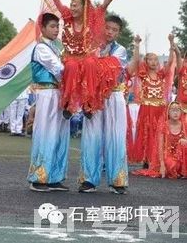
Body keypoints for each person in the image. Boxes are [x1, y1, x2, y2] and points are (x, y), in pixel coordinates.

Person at [24, 0, 137, 117]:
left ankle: (88, 105)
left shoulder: (92, 18)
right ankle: (68, 105)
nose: (72, 7)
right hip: (70, 57)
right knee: (70, 66)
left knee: (90, 63)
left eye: (75, 5)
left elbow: (104, 4)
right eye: (71, 4)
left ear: (84, 7)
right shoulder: (67, 16)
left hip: (87, 57)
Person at [78, 15, 132, 194]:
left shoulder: (121, 50)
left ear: (119, 32)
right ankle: (89, 180)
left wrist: (90, 64)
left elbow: (108, 69)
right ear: (102, 28)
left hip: (114, 95)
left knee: (115, 136)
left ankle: (117, 181)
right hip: (93, 96)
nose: (110, 32)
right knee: (91, 136)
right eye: (107, 28)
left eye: (114, 30)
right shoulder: (90, 48)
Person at [27, 13, 69, 192]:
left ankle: (54, 177)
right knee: (45, 133)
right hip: (47, 93)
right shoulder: (41, 48)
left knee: (60, 135)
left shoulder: (56, 48)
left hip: (59, 93)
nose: (56, 30)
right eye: (52, 26)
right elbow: (58, 68)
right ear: (42, 28)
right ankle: (38, 177)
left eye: (57, 27)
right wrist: (77, 75)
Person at [129, 35, 176, 166]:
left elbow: (171, 61)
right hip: (146, 108)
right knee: (146, 133)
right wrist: (137, 45)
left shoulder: (162, 74)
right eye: (151, 59)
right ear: (146, 62)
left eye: (156, 60)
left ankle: (158, 158)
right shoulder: (142, 75)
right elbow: (136, 61)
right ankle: (146, 159)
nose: (154, 62)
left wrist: (171, 43)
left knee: (159, 133)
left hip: (160, 109)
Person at [134, 102, 187, 179]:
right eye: (173, 110)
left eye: (178, 110)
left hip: (181, 155)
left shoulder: (184, 125)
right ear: (168, 112)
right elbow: (160, 147)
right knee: (171, 165)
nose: (175, 113)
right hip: (168, 155)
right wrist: (162, 165)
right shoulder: (164, 125)